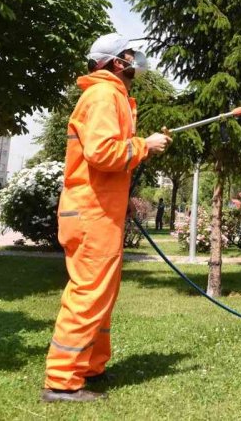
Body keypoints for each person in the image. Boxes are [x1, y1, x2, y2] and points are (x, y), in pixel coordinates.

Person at [41, 33, 172, 403]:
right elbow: (102, 153)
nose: (137, 61)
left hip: (99, 210)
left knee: (102, 295)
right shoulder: (102, 95)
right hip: (91, 213)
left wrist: (123, 199)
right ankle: (61, 381)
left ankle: (90, 368)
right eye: (131, 56)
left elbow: (103, 162)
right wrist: (144, 145)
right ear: (117, 62)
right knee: (88, 294)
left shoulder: (111, 95)